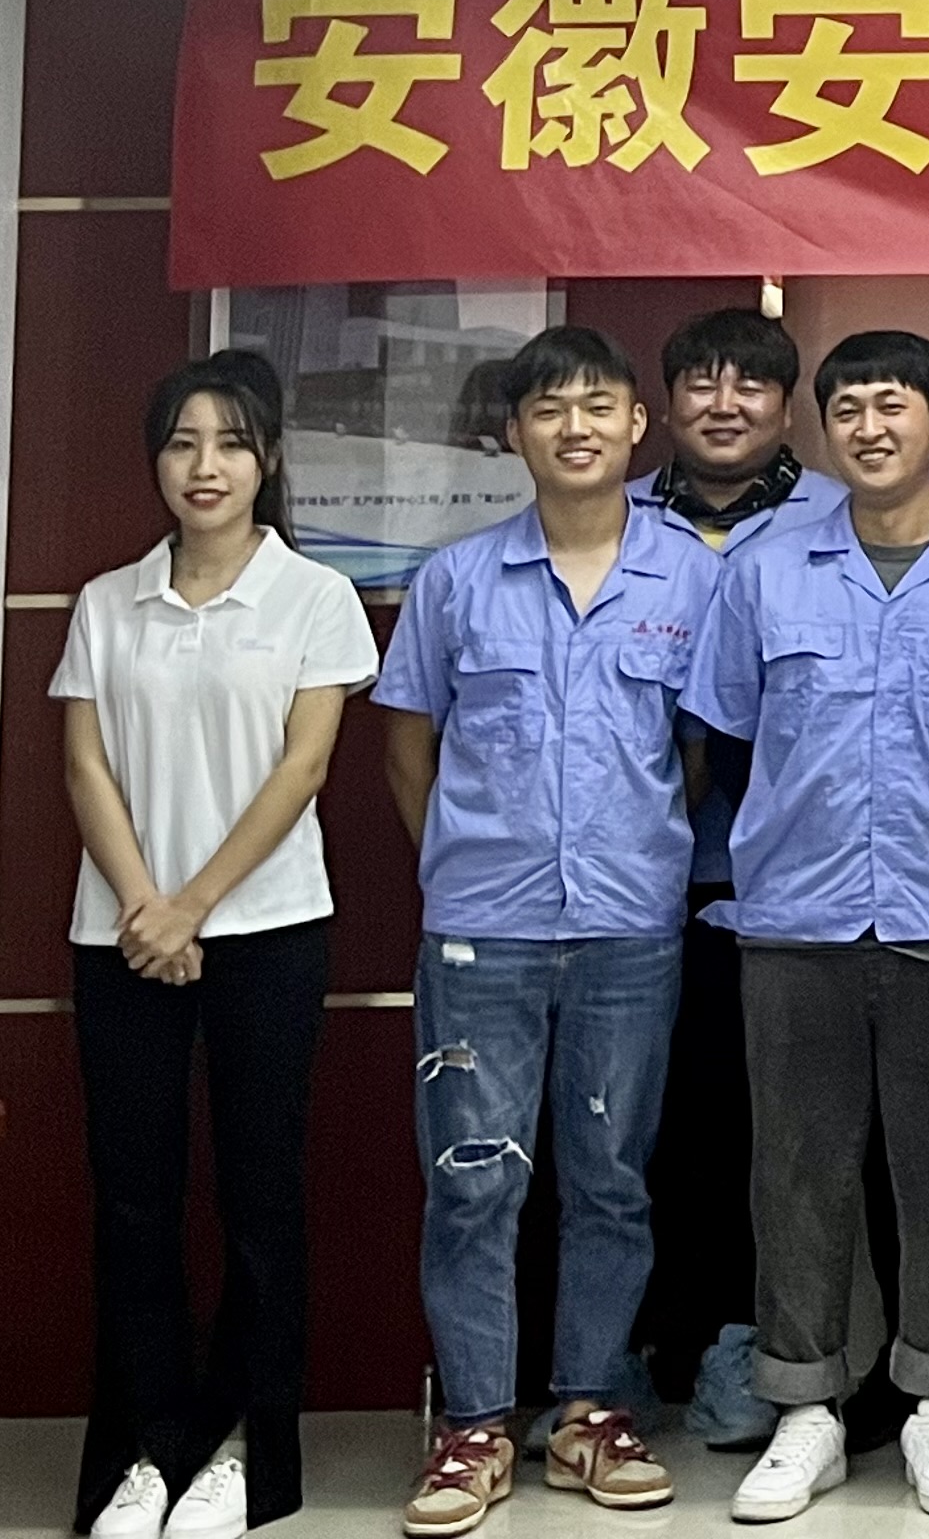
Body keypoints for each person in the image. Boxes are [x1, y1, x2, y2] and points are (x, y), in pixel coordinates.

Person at [376, 327, 726, 1535]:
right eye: (548, 408)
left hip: (631, 923)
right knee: (474, 1180)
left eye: (598, 404)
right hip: (484, 927)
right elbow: (409, 746)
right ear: (512, 431)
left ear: (637, 424)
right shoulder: (457, 579)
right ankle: (475, 1422)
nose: (575, 426)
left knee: (612, 1178)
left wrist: (638, 853)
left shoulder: (691, 578)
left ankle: (589, 1408)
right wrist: (464, 862)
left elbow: (693, 752)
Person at [684, 333, 929, 1522]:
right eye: (849, 410)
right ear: (824, 431)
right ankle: (806, 1407)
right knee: (796, 1172)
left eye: (894, 405)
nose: (871, 428)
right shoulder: (766, 567)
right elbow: (724, 731)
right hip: (795, 916)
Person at [59, 355, 373, 1539]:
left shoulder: (315, 596)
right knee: (134, 1201)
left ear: (268, 459)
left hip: (267, 931)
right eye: (182, 441)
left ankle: (247, 1446)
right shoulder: (107, 601)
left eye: (231, 442)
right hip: (122, 936)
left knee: (259, 1195)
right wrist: (149, 904)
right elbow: (84, 763)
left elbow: (304, 766)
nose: (206, 465)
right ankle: (145, 1445)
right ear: (156, 458)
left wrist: (193, 902)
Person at [632, 308, 828, 1460]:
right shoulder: (615, 513)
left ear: (785, 405)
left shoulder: (835, 515)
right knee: (646, 1130)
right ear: (664, 403)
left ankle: (743, 1346)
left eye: (750, 383)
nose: (723, 402)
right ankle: (641, 1345)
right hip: (631, 883)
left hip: (786, 885)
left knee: (768, 1134)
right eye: (699, 380)